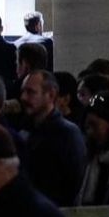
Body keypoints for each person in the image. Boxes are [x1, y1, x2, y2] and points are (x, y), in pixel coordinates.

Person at [17, 70, 87, 208]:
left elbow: (74, 182)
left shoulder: (67, 134)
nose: (23, 97)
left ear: (51, 94)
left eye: (31, 92)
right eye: (23, 91)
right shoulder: (25, 132)